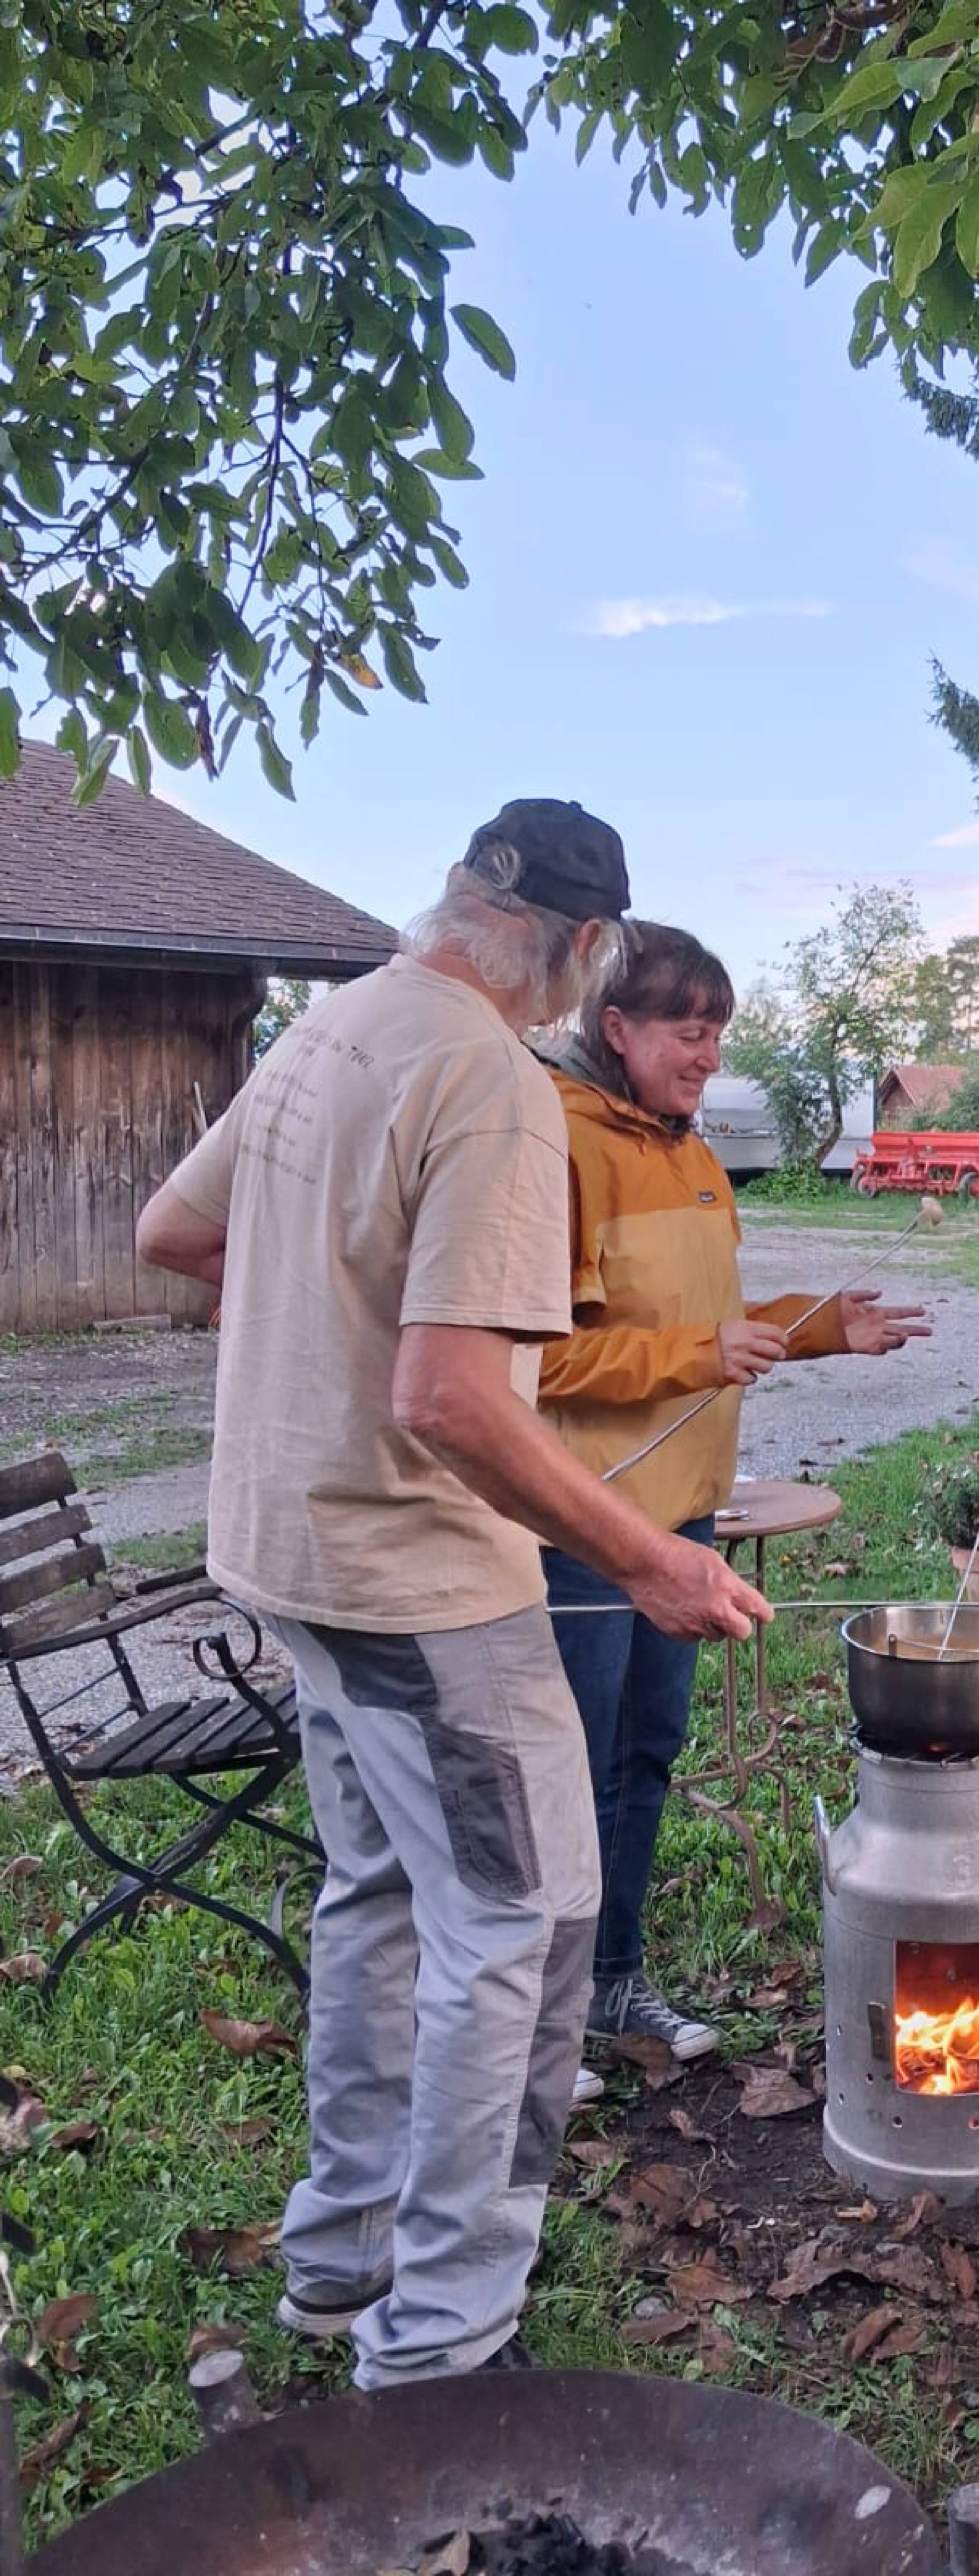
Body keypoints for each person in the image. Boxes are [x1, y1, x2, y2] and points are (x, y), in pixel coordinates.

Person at [134, 801, 768, 2388]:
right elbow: (453, 1400)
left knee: (379, 1897)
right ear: (581, 951)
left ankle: (343, 2258)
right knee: (528, 1918)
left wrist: (321, 1327)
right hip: (417, 1582)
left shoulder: (333, 1023)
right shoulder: (492, 1079)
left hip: (288, 1555)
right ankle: (440, 2340)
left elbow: (177, 1231)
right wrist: (650, 1557)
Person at [536, 921, 928, 2079]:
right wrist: (696, 1356)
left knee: (646, 1751)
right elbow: (536, 1360)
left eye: (718, 1034)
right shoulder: (560, 1142)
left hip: (686, 1510)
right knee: (569, 1769)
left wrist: (817, 1331)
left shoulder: (689, 1149)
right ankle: (540, 2026)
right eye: (687, 1032)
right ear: (616, 1027)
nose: (709, 1056)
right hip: (587, 1520)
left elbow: (718, 1324)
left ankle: (614, 1985)